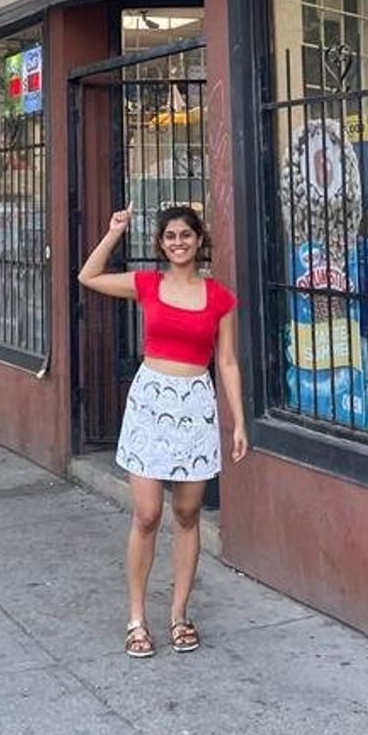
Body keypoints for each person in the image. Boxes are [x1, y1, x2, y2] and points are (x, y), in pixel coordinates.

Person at [78, 202, 248, 658]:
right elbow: (88, 276)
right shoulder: (147, 284)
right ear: (160, 243)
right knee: (148, 513)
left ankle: (179, 614)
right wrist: (115, 231)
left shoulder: (219, 298)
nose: (178, 243)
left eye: (186, 236)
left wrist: (238, 422)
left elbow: (227, 362)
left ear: (199, 241)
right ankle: (136, 618)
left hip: (196, 404)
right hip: (150, 404)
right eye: (170, 236)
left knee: (188, 514)